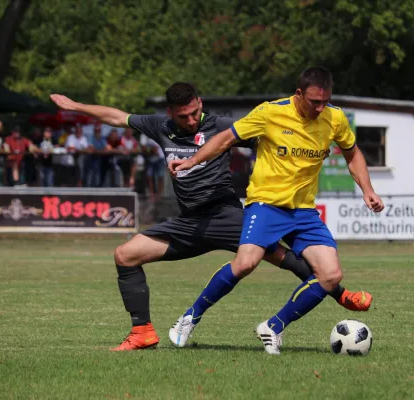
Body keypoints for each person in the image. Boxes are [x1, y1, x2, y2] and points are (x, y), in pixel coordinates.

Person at [49, 82, 372, 352]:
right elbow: (118, 117)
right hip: (188, 222)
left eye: (194, 113)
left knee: (287, 260)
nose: (190, 121)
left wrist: (312, 145)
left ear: (199, 104)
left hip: (226, 216)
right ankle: (142, 332)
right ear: (170, 113)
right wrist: (75, 105)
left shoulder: (219, 125)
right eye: (182, 116)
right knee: (126, 256)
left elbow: (270, 138)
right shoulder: (158, 126)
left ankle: (341, 293)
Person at [168, 67, 384, 355]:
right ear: (298, 95)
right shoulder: (270, 113)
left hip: (304, 211)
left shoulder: (335, 118)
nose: (320, 108)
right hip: (266, 204)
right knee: (246, 263)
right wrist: (191, 161)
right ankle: (189, 317)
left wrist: (367, 190)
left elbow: (352, 152)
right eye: (314, 102)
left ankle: (274, 326)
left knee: (330, 275)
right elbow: (226, 138)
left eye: (325, 101)